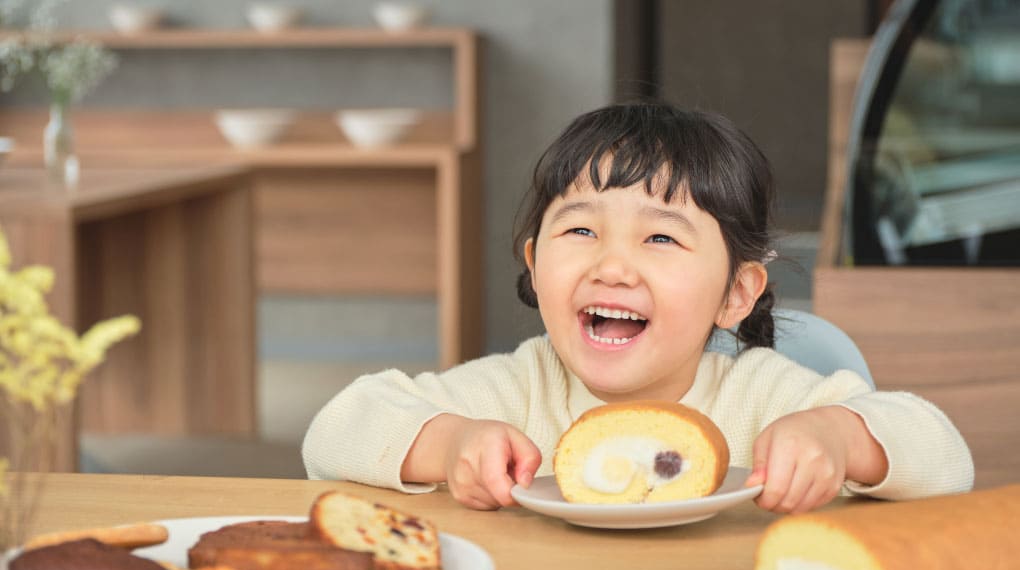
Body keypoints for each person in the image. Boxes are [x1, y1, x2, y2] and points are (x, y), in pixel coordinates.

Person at [303, 102, 973, 513]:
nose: (613, 266)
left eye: (659, 237)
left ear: (736, 294)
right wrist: (451, 445)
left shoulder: (765, 395)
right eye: (580, 230)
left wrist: (840, 438)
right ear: (535, 267)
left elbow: (947, 459)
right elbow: (334, 434)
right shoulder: (513, 391)